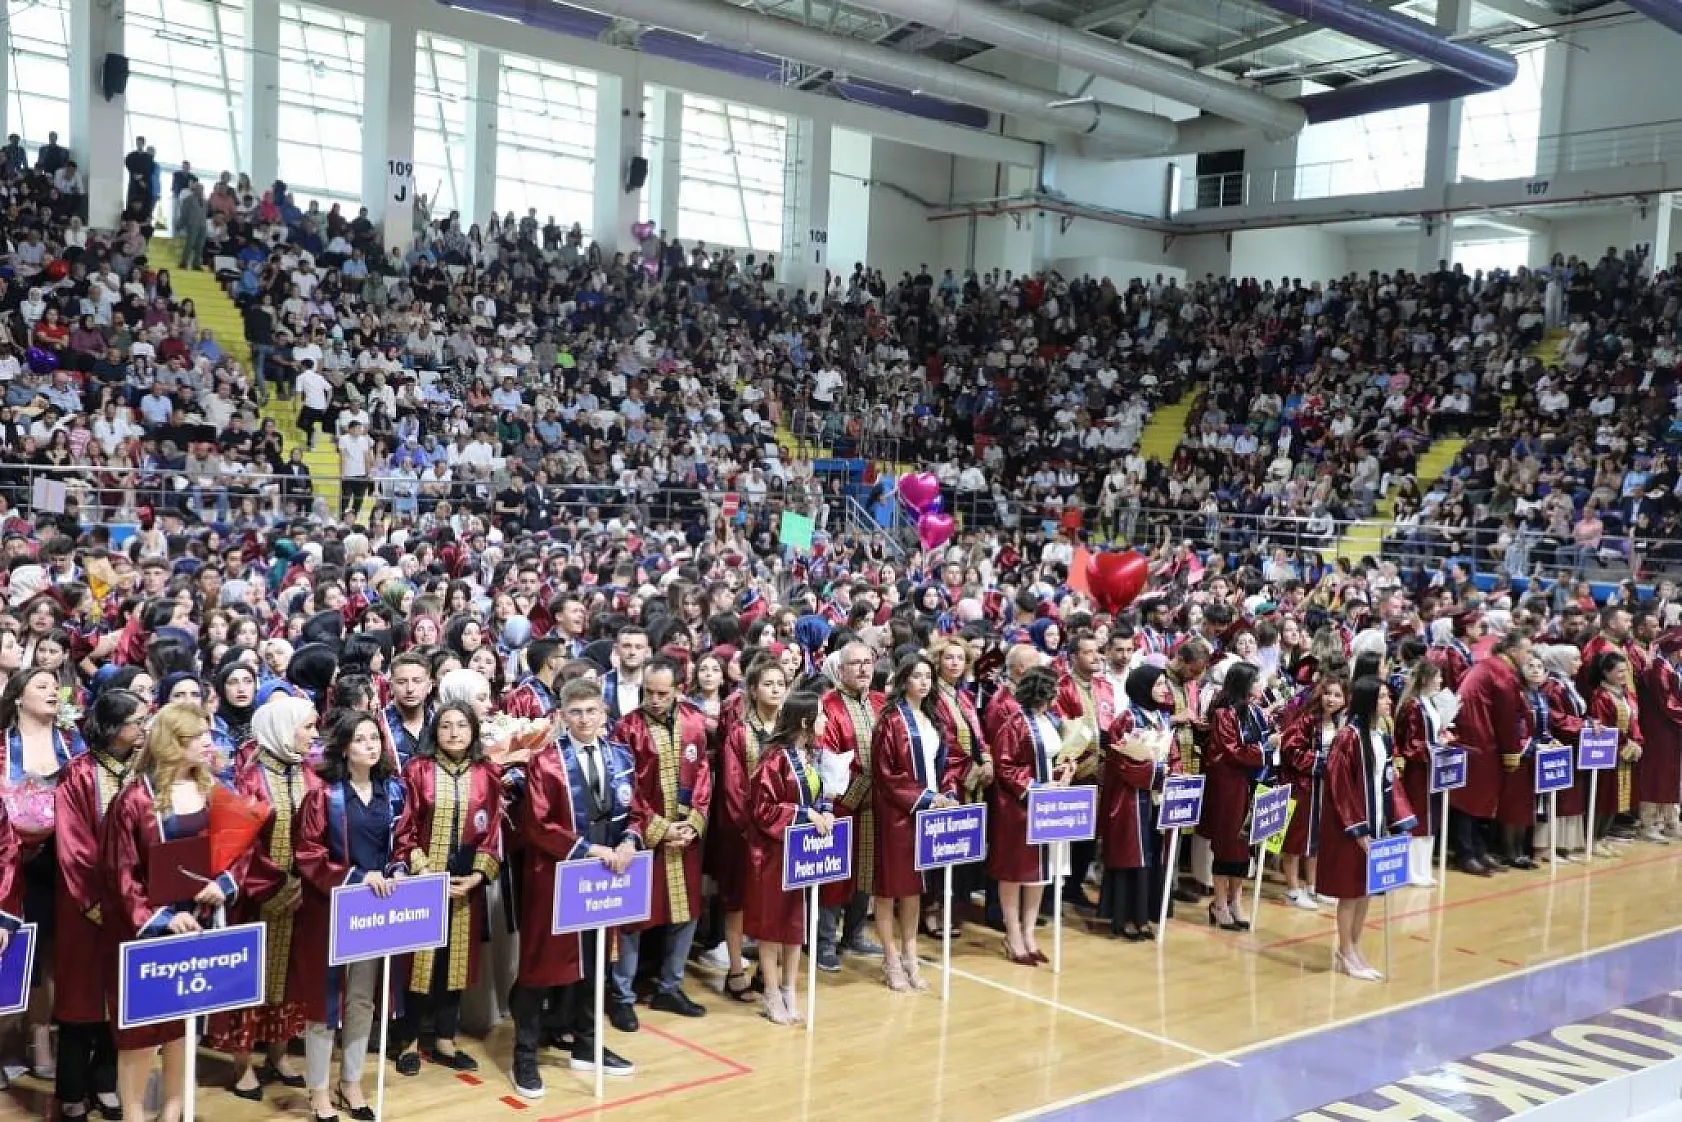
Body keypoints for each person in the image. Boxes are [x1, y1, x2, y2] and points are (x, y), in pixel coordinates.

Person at [101, 702, 249, 1122]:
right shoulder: (134, 799)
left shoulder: (213, 790)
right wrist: (162, 918)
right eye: (199, 736)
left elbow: (240, 849)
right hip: (149, 933)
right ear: (173, 743)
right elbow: (119, 871)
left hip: (199, 923)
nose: (209, 742)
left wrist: (223, 884)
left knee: (184, 1030)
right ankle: (133, 1115)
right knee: (142, 1036)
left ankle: (172, 1113)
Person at [508, 678, 638, 1100]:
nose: (584, 720)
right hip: (556, 877)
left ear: (604, 713)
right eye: (576, 713)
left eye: (591, 711)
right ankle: (524, 1054)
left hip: (607, 877)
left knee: (597, 961)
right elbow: (537, 824)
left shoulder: (621, 756)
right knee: (540, 967)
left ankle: (586, 1043)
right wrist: (589, 850)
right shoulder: (546, 762)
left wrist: (630, 840)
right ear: (562, 716)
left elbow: (637, 809)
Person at [292, 709, 407, 1122]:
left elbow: (404, 841)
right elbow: (308, 854)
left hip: (376, 911)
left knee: (362, 997)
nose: (370, 746)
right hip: (331, 909)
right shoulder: (323, 797)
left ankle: (351, 1081)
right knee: (326, 1002)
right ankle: (318, 1090)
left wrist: (399, 869)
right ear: (343, 748)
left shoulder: (393, 792)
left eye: (374, 738)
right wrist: (358, 878)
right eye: (360, 739)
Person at [210, 695, 317, 1100]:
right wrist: (273, 885)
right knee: (248, 979)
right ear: (283, 728)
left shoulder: (309, 774)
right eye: (307, 726)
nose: (314, 735)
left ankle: (279, 1053)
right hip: (255, 899)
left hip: (301, 897)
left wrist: (307, 879)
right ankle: (242, 1065)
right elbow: (238, 842)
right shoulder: (249, 777)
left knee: (290, 976)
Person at [391, 700, 503, 1074]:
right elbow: (403, 829)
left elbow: (492, 832)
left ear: (474, 731)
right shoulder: (417, 771)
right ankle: (407, 1042)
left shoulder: (488, 773)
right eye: (446, 726)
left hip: (465, 887)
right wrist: (425, 873)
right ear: (434, 731)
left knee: (455, 965)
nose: (454, 733)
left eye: (462, 725)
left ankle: (444, 1040)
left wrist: (477, 876)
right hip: (423, 884)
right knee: (419, 964)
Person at [53, 689, 146, 1120]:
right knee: (82, 1000)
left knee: (122, 998)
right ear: (112, 727)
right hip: (84, 906)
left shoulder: (144, 771)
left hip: (132, 905)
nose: (144, 728)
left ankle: (107, 1083)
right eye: (136, 720)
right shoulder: (79, 773)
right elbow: (74, 848)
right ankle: (72, 1088)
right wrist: (98, 902)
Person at [611, 655, 711, 1026]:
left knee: (686, 914)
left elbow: (703, 775)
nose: (654, 700)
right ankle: (621, 995)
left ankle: (670, 986)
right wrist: (658, 828)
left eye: (662, 693)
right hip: (642, 839)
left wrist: (693, 823)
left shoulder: (694, 721)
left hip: (685, 838)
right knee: (632, 918)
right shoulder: (627, 728)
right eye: (648, 692)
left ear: (678, 690)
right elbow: (625, 788)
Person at [868, 652, 963, 992]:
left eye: (928, 676)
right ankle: (890, 958)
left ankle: (910, 955)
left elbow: (945, 764)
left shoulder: (933, 717)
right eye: (917, 676)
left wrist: (947, 792)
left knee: (915, 888)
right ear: (904, 679)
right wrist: (924, 798)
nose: (924, 682)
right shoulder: (890, 720)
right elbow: (885, 774)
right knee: (889, 889)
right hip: (898, 815)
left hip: (930, 815)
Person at [744, 688, 834, 1025]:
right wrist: (804, 814)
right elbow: (762, 809)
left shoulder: (812, 754)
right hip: (772, 853)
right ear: (805, 721)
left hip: (801, 854)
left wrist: (825, 810)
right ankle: (770, 992)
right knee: (772, 927)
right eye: (821, 715)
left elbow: (818, 794)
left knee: (796, 925)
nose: (827, 720)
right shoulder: (774, 758)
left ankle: (789, 990)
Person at [1317, 677, 1416, 982]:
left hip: (1376, 822)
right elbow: (1340, 788)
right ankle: (1345, 950)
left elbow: (1389, 783)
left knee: (1366, 890)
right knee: (1350, 892)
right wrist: (1359, 832)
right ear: (1369, 701)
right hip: (1349, 827)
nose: (1389, 702)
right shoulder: (1347, 738)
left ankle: (1355, 946)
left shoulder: (1382, 737)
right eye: (1383, 697)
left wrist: (1401, 821)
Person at [715, 656, 786, 1000]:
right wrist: (753, 830)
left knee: (775, 904)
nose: (775, 690)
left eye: (780, 684)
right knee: (738, 903)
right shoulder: (739, 733)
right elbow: (734, 788)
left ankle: (765, 973)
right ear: (754, 690)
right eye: (768, 684)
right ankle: (735, 971)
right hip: (744, 834)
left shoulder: (789, 733)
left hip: (781, 834)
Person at [987, 665, 1067, 965]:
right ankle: (1013, 934)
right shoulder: (1015, 723)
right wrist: (1037, 787)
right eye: (1054, 687)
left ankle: (1029, 933)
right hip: (1018, 808)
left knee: (1040, 872)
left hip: (1047, 806)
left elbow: (1045, 760)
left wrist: (1061, 771)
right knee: (1014, 872)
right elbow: (1005, 767)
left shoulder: (1049, 720)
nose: (1058, 692)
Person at [814, 641, 884, 972]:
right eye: (855, 663)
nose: (863, 668)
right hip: (840, 806)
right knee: (834, 876)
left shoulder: (880, 703)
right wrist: (859, 789)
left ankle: (854, 935)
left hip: (876, 806)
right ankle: (824, 943)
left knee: (866, 873)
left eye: (867, 662)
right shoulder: (828, 707)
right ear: (840, 670)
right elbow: (825, 761)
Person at [1098, 665, 1178, 941]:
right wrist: (1158, 771)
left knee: (1152, 853)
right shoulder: (1127, 720)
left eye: (1165, 684)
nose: (1164, 690)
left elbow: (1173, 754)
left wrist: (1173, 771)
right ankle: (1125, 917)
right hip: (1128, 798)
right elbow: (1122, 763)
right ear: (1143, 687)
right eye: (1159, 685)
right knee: (1132, 856)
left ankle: (1144, 916)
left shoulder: (1162, 718)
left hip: (1155, 797)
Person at [1201, 661, 1272, 931]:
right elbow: (1231, 751)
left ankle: (1235, 901)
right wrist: (1265, 749)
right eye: (1255, 681)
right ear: (1243, 684)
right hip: (1229, 787)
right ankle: (1219, 903)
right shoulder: (1224, 714)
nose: (1260, 685)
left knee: (1246, 846)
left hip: (1252, 784)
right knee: (1227, 844)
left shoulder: (1254, 711)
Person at [1452, 632, 1529, 876]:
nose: (1529, 657)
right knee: (1470, 800)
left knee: (1479, 799)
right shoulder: (1502, 674)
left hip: (1475, 736)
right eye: (1527, 651)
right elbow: (1506, 719)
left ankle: (1478, 848)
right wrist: (1512, 751)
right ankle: (1466, 853)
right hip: (1479, 739)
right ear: (1513, 651)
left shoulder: (1489, 666)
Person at [1278, 676, 1346, 911]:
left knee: (1318, 838)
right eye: (1328, 693)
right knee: (1296, 837)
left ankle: (1313, 886)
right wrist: (1323, 763)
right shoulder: (1307, 720)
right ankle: (1292, 889)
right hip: (1302, 786)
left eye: (1337, 695)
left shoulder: (1340, 722)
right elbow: (1291, 749)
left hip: (1325, 789)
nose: (1331, 699)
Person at [1393, 660, 1449, 887]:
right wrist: (1434, 748)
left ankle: (1423, 868)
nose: (1441, 681)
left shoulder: (1429, 702)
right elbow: (1410, 744)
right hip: (1416, 770)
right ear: (1425, 679)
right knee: (1417, 817)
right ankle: (1411, 871)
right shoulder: (1413, 706)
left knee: (1430, 817)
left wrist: (1443, 738)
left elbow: (1432, 733)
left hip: (1431, 768)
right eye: (1437, 677)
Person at [1585, 650, 1642, 858]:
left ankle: (1603, 837)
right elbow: (1605, 727)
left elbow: (1633, 721)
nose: (1623, 675)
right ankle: (1593, 839)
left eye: (1625, 670)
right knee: (1603, 798)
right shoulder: (1601, 696)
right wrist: (1624, 745)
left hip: (1624, 753)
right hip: (1607, 754)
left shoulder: (1623, 693)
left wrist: (1637, 742)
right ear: (1606, 673)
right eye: (1619, 671)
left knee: (1616, 799)